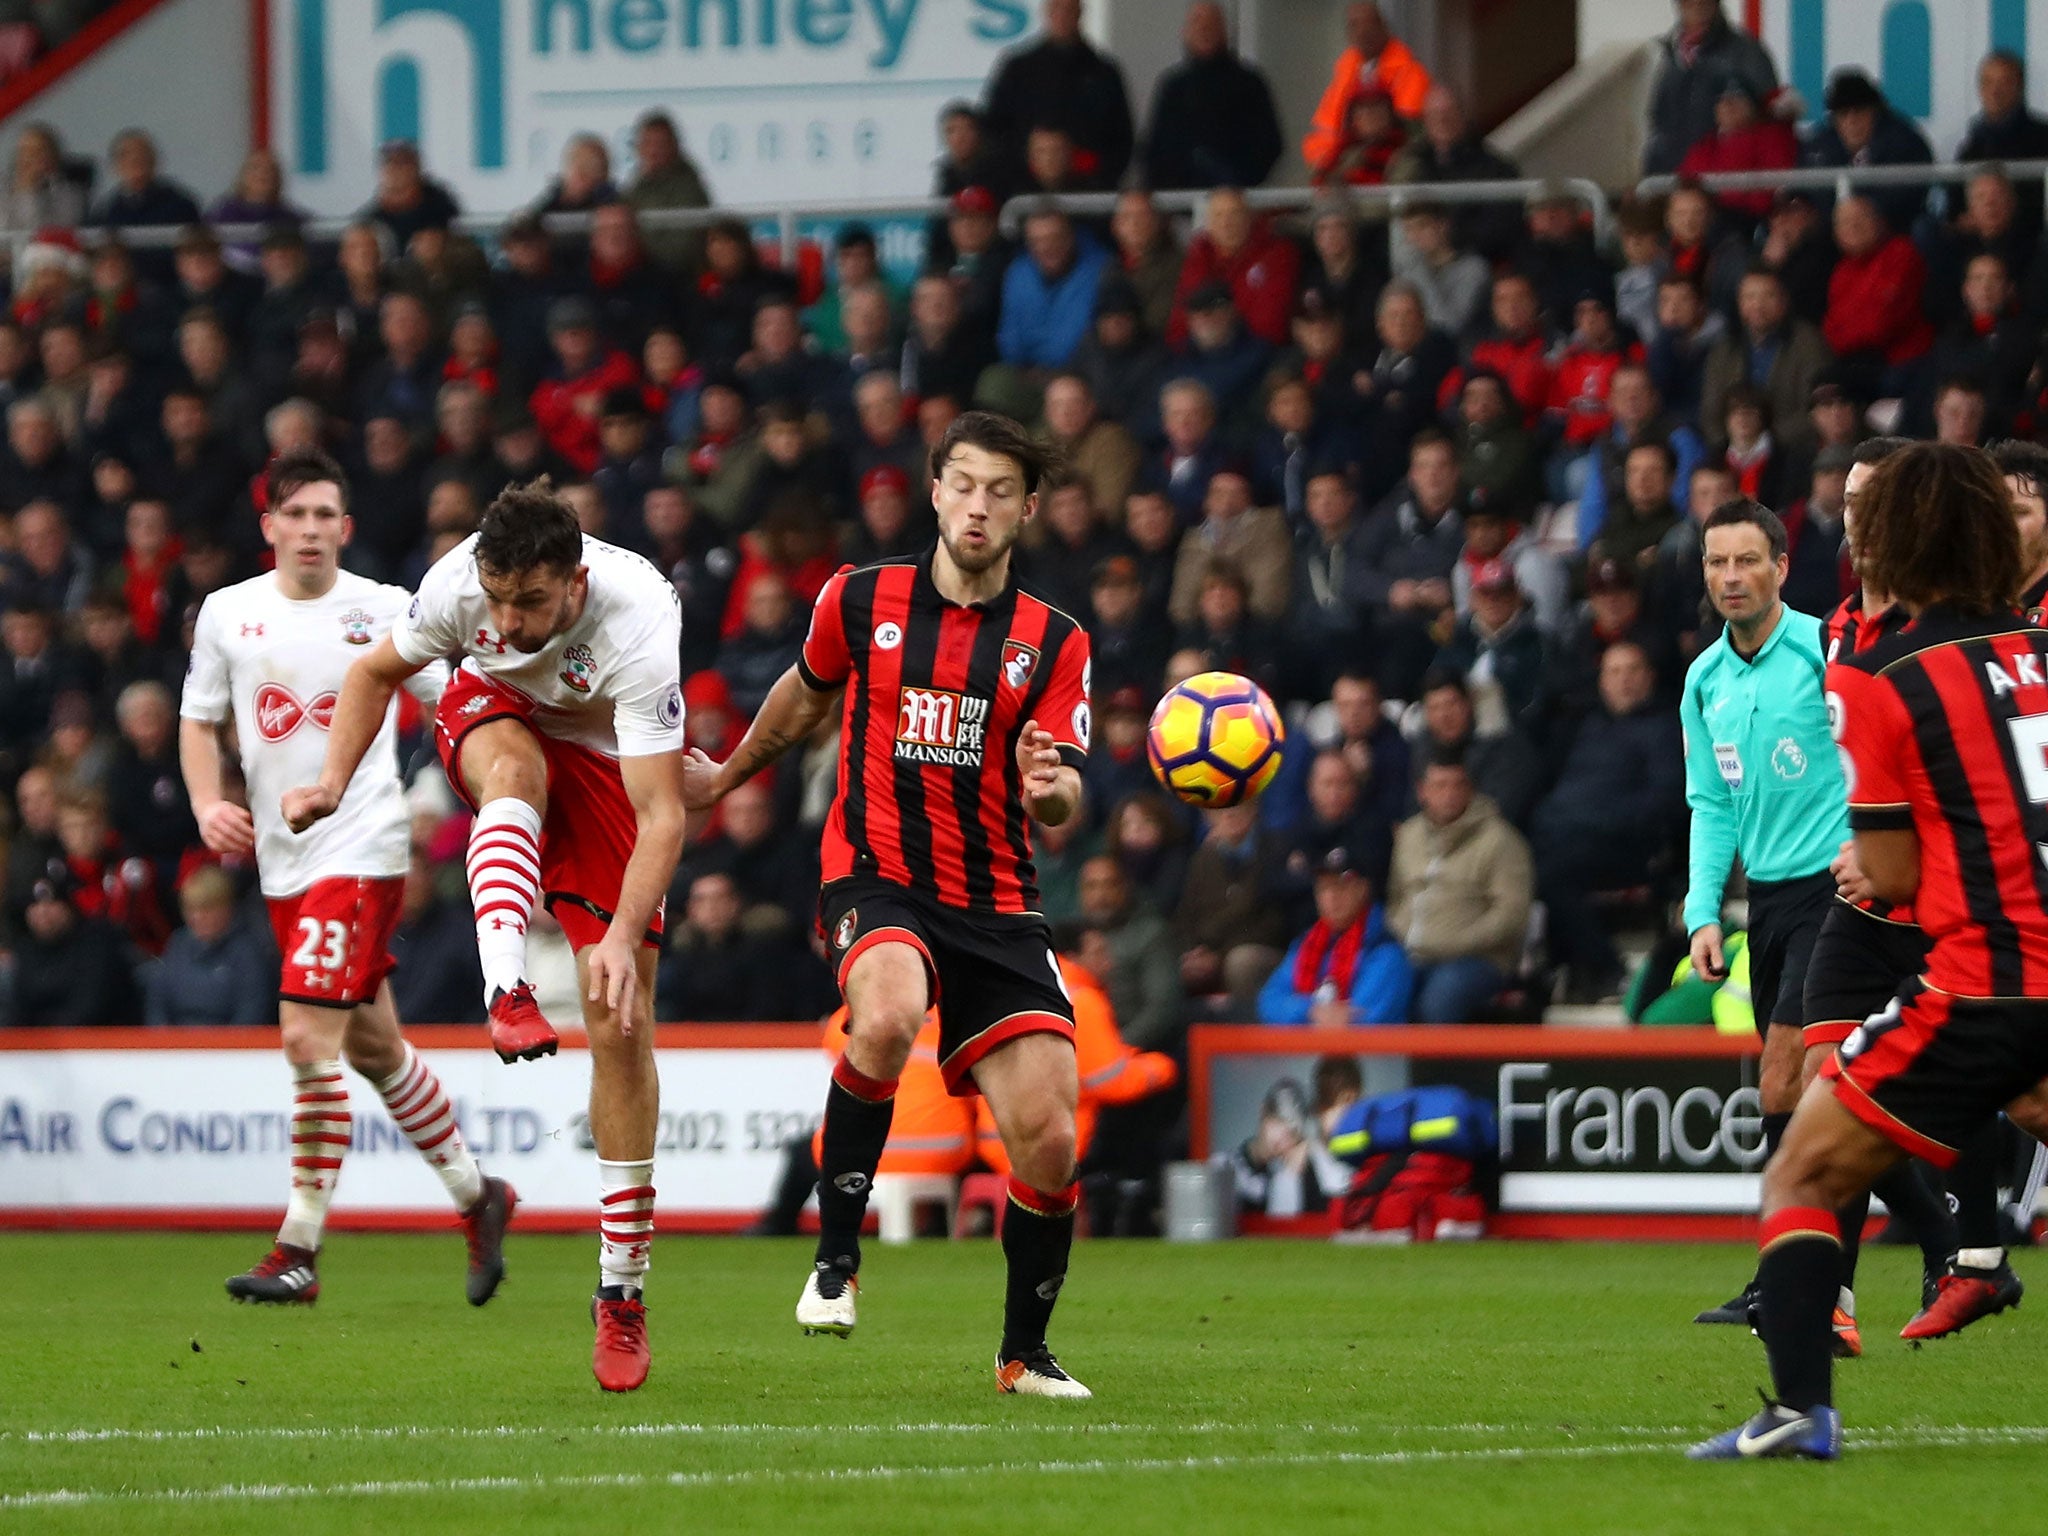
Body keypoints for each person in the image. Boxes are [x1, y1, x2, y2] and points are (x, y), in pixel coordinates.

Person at [681, 410, 1096, 1398]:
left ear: (1026, 508)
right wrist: (728, 774)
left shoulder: (1051, 640)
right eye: (963, 484)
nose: (979, 506)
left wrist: (1046, 789)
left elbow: (1065, 795)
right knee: (889, 1009)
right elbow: (800, 694)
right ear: (935, 490)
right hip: (875, 872)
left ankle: (1021, 1356)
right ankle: (834, 1260)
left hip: (995, 901)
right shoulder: (859, 599)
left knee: (1047, 1137)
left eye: (1001, 490)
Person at [282, 479, 687, 1393]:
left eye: (531, 602)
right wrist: (332, 783)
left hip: (608, 764)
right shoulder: (460, 587)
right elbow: (371, 674)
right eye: (497, 598)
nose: (507, 617)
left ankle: (620, 1293)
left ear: (574, 584)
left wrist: (621, 935)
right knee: (510, 769)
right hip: (498, 723)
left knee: (620, 1023)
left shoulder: (641, 616)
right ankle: (503, 985)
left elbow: (663, 814)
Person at [1690, 442, 2048, 1460]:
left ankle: (1798, 1410)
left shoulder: (1878, 672)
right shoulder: (2037, 646)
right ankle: (1966, 1254)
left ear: (1893, 539)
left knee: (1802, 1168)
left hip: (1986, 981)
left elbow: (1886, 877)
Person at [179, 447, 513, 1308]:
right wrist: (206, 802)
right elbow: (198, 719)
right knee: (372, 1047)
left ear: (347, 528)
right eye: (296, 514)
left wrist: (485, 789)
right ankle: (482, 1198)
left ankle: (297, 1247)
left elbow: (452, 704)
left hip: (363, 847)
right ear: (269, 528)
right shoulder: (227, 613)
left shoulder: (386, 609)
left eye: (327, 515)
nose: (312, 529)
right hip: (281, 862)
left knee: (304, 1039)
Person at [1680, 498, 1847, 1329]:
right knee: (1816, 1092)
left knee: (1794, 1076)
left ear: (1781, 566)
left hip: (1841, 889)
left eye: (1747, 560)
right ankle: (1955, 1247)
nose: (1731, 577)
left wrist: (1873, 852)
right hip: (1769, 901)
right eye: (1717, 563)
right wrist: (1703, 912)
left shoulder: (1824, 648)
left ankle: (1791, 1282)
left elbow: (1871, 755)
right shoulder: (1704, 679)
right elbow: (1710, 804)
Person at [1385, 749, 1532, 1023]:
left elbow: (1512, 915)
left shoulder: (1501, 841)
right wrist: (1402, 931)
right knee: (1379, 991)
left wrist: (1457, 941)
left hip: (1476, 959)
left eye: (1458, 785)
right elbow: (1396, 896)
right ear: (1422, 791)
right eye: (1440, 786)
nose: (1449, 794)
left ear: (1471, 789)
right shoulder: (1409, 835)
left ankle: (1438, 1068)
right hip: (1410, 953)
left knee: (1439, 1001)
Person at [982, 0, 1134, 188]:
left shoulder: (1104, 73)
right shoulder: (1018, 69)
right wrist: (1023, 166)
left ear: (1080, 13)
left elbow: (1121, 138)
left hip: (1090, 191)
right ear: (1046, 14)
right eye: (1056, 9)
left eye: (1069, 10)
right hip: (1024, 191)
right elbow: (995, 130)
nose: (1062, 16)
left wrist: (1098, 173)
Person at [1256, 842, 1411, 1026]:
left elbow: (1359, 1020)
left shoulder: (1385, 950)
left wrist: (1298, 1011)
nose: (1331, 897)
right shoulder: (1307, 943)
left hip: (1365, 1054)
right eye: (1323, 888)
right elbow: (1268, 1001)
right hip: (1306, 1051)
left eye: (1340, 886)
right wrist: (1311, 1011)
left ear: (1362, 889)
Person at [1141, 2, 1282, 191]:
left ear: (1225, 30)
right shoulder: (1173, 87)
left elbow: (1269, 144)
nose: (1204, 29)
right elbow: (1155, 149)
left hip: (1236, 200)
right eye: (1197, 23)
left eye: (1211, 23)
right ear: (1186, 32)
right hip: (1179, 204)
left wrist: (1240, 183)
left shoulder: (1250, 84)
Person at [1642, 0, 1780, 176]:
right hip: (1668, 180)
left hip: (1724, 184)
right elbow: (1654, 120)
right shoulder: (1662, 54)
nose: (1698, 4)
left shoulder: (1747, 52)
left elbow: (1773, 120)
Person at [1301, 2, 1432, 174]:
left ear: (1383, 27)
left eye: (1370, 23)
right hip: (1341, 168)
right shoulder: (1344, 73)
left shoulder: (1412, 74)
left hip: (1389, 169)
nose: (1363, 31)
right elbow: (1325, 134)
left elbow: (1407, 136)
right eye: (1355, 25)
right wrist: (1326, 165)